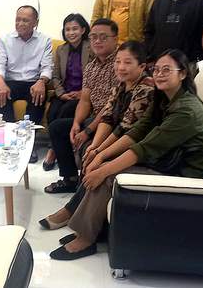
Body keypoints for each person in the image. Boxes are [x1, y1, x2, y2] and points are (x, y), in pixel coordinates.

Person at [41, 49, 203, 260]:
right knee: (103, 165)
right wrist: (99, 156)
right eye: (157, 69)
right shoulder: (164, 97)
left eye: (167, 70)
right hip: (167, 162)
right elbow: (137, 131)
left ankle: (86, 239)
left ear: (183, 74)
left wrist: (102, 169)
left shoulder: (186, 110)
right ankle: (85, 225)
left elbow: (144, 147)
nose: (159, 74)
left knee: (109, 175)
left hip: (187, 176)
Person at [42, 40, 153, 196]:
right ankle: (71, 181)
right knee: (59, 128)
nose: (121, 67)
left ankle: (79, 200)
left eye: (127, 62)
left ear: (141, 67)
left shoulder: (146, 88)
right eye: (118, 62)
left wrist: (98, 150)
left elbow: (124, 128)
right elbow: (107, 116)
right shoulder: (121, 84)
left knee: (93, 157)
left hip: (134, 141)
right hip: (113, 128)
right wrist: (94, 146)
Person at [43, 18, 119, 194]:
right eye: (94, 37)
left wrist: (88, 130)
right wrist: (77, 123)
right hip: (94, 117)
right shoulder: (91, 66)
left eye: (103, 37)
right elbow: (85, 100)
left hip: (111, 121)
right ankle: (70, 179)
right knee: (57, 127)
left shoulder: (120, 64)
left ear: (115, 39)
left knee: (66, 118)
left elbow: (111, 105)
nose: (97, 41)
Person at [0, 5, 53, 163]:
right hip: (11, 81)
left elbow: (47, 67)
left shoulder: (45, 40)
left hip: (34, 82)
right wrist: (0, 82)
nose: (20, 23)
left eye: (25, 20)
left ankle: (28, 145)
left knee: (38, 97)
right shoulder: (5, 39)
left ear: (35, 23)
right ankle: (10, 141)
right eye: (18, 19)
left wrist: (42, 81)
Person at [43, 13, 92, 171]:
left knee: (66, 110)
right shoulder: (61, 50)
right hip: (65, 93)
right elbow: (56, 76)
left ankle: (53, 150)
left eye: (75, 29)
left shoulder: (91, 48)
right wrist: (62, 93)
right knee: (52, 111)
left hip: (83, 95)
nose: (71, 33)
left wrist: (82, 93)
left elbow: (94, 75)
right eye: (67, 29)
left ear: (83, 30)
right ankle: (55, 147)